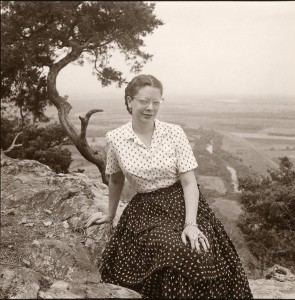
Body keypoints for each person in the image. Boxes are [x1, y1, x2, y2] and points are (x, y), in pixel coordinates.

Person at [85, 74, 253, 299]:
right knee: (171, 250)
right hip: (146, 210)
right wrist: (110, 214)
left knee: (198, 247)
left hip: (183, 203)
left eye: (156, 102)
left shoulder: (174, 132)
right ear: (129, 101)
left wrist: (191, 224)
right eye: (144, 101)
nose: (150, 108)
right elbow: (115, 179)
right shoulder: (115, 138)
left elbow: (189, 181)